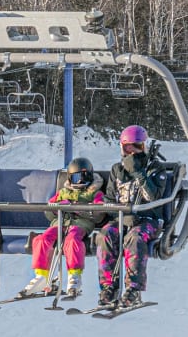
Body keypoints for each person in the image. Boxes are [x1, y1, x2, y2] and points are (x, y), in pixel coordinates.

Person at [94, 125, 166, 308]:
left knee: (134, 238)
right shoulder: (117, 170)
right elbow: (109, 199)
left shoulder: (155, 169)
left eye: (137, 147)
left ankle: (133, 289)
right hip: (121, 218)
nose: (132, 151)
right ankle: (108, 287)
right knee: (105, 235)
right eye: (128, 148)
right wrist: (118, 213)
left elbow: (153, 197)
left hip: (148, 220)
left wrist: (138, 174)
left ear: (144, 146)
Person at [21, 156, 108, 298]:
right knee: (42, 239)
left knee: (72, 241)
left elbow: (100, 213)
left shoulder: (95, 192)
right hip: (60, 223)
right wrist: (57, 207)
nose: (80, 181)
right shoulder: (63, 192)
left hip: (80, 224)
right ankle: (41, 275)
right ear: (69, 179)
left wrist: (83, 208)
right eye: (76, 178)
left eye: (84, 177)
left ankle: (74, 276)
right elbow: (49, 210)